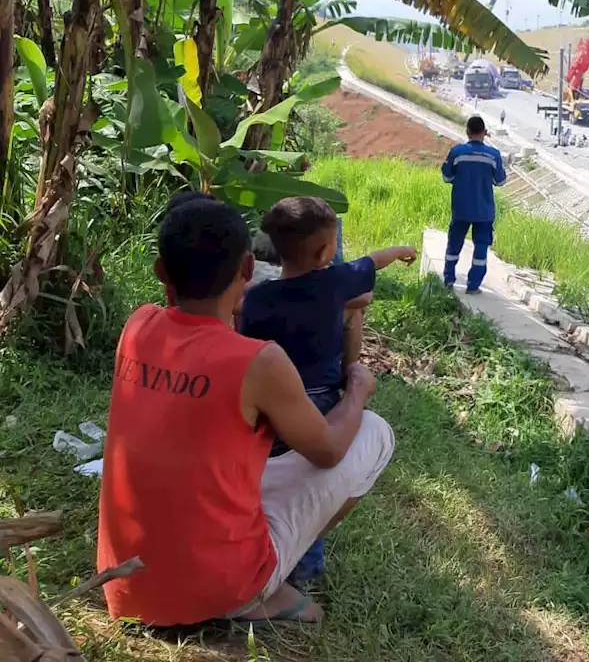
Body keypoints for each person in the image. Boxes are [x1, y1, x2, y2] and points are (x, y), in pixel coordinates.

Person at [97, 194, 395, 627]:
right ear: (248, 271)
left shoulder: (137, 326)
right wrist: (358, 390)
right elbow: (328, 450)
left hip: (125, 586)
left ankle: (244, 573)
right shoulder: (259, 362)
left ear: (162, 272)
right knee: (374, 432)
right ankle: (262, 590)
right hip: (218, 588)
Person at [237, 197, 416, 584]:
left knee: (272, 476)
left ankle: (261, 538)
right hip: (319, 399)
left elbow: (244, 342)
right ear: (324, 251)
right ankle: (305, 566)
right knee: (313, 481)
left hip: (266, 404)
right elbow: (371, 264)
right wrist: (403, 251)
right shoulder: (334, 283)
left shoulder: (256, 298)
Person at [441, 115, 506, 293]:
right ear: (485, 133)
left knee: (454, 244)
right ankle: (473, 286)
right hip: (484, 211)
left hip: (461, 208)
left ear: (467, 132)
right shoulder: (493, 155)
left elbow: (447, 177)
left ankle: (448, 280)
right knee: (481, 247)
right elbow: (500, 182)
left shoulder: (456, 152)